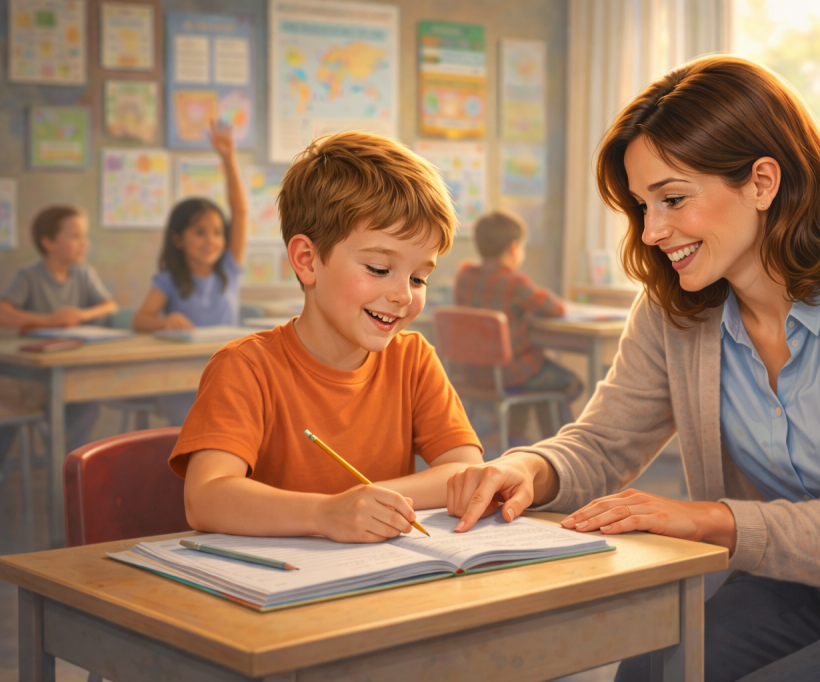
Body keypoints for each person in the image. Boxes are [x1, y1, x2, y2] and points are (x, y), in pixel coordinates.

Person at [446, 56, 820, 682]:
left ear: (762, 183)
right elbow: (604, 442)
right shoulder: (673, 311)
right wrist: (529, 468)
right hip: (806, 587)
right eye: (642, 206)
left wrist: (703, 518)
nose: (652, 231)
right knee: (652, 671)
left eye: (672, 199)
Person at [170, 131, 484, 542]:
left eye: (419, 277)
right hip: (278, 589)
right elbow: (206, 498)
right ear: (307, 260)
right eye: (377, 268)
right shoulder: (245, 367)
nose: (403, 294)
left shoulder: (413, 359)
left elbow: (465, 473)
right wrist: (325, 513)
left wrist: (367, 503)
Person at [133, 120, 249, 425]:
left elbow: (240, 213)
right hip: (183, 379)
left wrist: (228, 159)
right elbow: (140, 319)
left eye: (217, 232)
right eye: (200, 232)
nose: (211, 240)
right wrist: (163, 321)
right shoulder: (169, 280)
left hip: (226, 374)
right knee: (200, 429)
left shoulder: (228, 269)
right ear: (178, 239)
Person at [454, 209, 582, 444]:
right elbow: (554, 309)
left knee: (534, 384)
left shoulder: (465, 276)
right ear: (514, 248)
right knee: (566, 383)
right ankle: (565, 447)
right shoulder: (513, 282)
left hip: (472, 373)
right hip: (510, 375)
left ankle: (517, 440)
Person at [0, 205, 118, 457]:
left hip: (71, 368)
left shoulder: (83, 273)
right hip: (33, 374)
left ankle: (68, 463)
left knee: (88, 402)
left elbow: (109, 304)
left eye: (84, 236)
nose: (83, 243)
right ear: (48, 242)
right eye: (75, 236)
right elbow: (3, 312)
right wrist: (49, 320)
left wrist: (80, 315)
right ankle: (58, 460)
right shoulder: (28, 276)